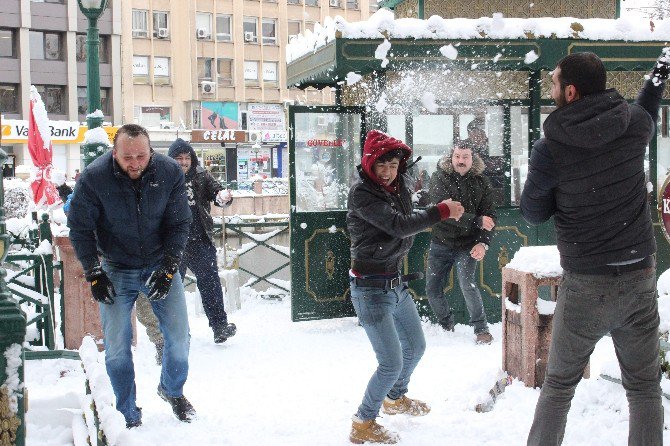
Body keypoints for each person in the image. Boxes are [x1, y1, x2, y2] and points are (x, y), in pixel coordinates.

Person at [521, 51, 668, 446]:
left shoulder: (550, 149)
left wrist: (561, 195)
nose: (549, 88)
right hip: (639, 275)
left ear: (570, 91)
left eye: (553, 82)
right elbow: (647, 108)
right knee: (644, 388)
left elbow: (533, 213)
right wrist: (658, 74)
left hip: (587, 283)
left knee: (558, 386)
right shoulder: (633, 125)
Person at [67, 124, 195, 428]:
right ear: (115, 152)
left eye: (141, 156)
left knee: (179, 340)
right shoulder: (94, 178)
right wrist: (94, 273)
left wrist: (168, 267)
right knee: (117, 348)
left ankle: (172, 390)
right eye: (127, 157)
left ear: (150, 151)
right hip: (116, 268)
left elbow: (180, 223)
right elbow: (80, 228)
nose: (135, 163)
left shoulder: (169, 172)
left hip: (159, 263)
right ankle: (126, 410)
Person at [346, 129, 464, 444]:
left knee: (416, 347)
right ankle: (363, 422)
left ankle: (394, 398)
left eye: (393, 165)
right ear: (369, 164)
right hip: (370, 288)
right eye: (381, 166)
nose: (387, 172)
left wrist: (440, 203)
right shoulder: (362, 194)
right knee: (391, 362)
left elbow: (410, 213)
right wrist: (441, 211)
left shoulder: (396, 187)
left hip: (395, 284)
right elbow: (399, 225)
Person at [136, 138, 237, 363]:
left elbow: (218, 194)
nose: (183, 163)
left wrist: (223, 199)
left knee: (210, 283)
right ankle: (171, 336)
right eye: (178, 159)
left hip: (199, 240)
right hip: (172, 244)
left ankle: (219, 326)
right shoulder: (160, 177)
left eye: (186, 158)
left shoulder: (201, 176)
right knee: (169, 291)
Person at [425, 139, 496, 344]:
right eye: (457, 156)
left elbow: (490, 217)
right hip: (441, 241)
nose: (461, 160)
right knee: (432, 288)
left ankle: (481, 328)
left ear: (472, 159)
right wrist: (476, 220)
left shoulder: (482, 182)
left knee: (468, 285)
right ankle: (446, 324)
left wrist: (483, 243)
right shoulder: (439, 177)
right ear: (451, 157)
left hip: (468, 244)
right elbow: (445, 211)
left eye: (465, 156)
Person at [464, 118, 505, 202]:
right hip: (468, 187)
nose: (477, 136)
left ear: (485, 134)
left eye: (481, 132)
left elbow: (500, 166)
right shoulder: (462, 147)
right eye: (474, 132)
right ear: (469, 134)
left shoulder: (494, 146)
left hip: (493, 185)